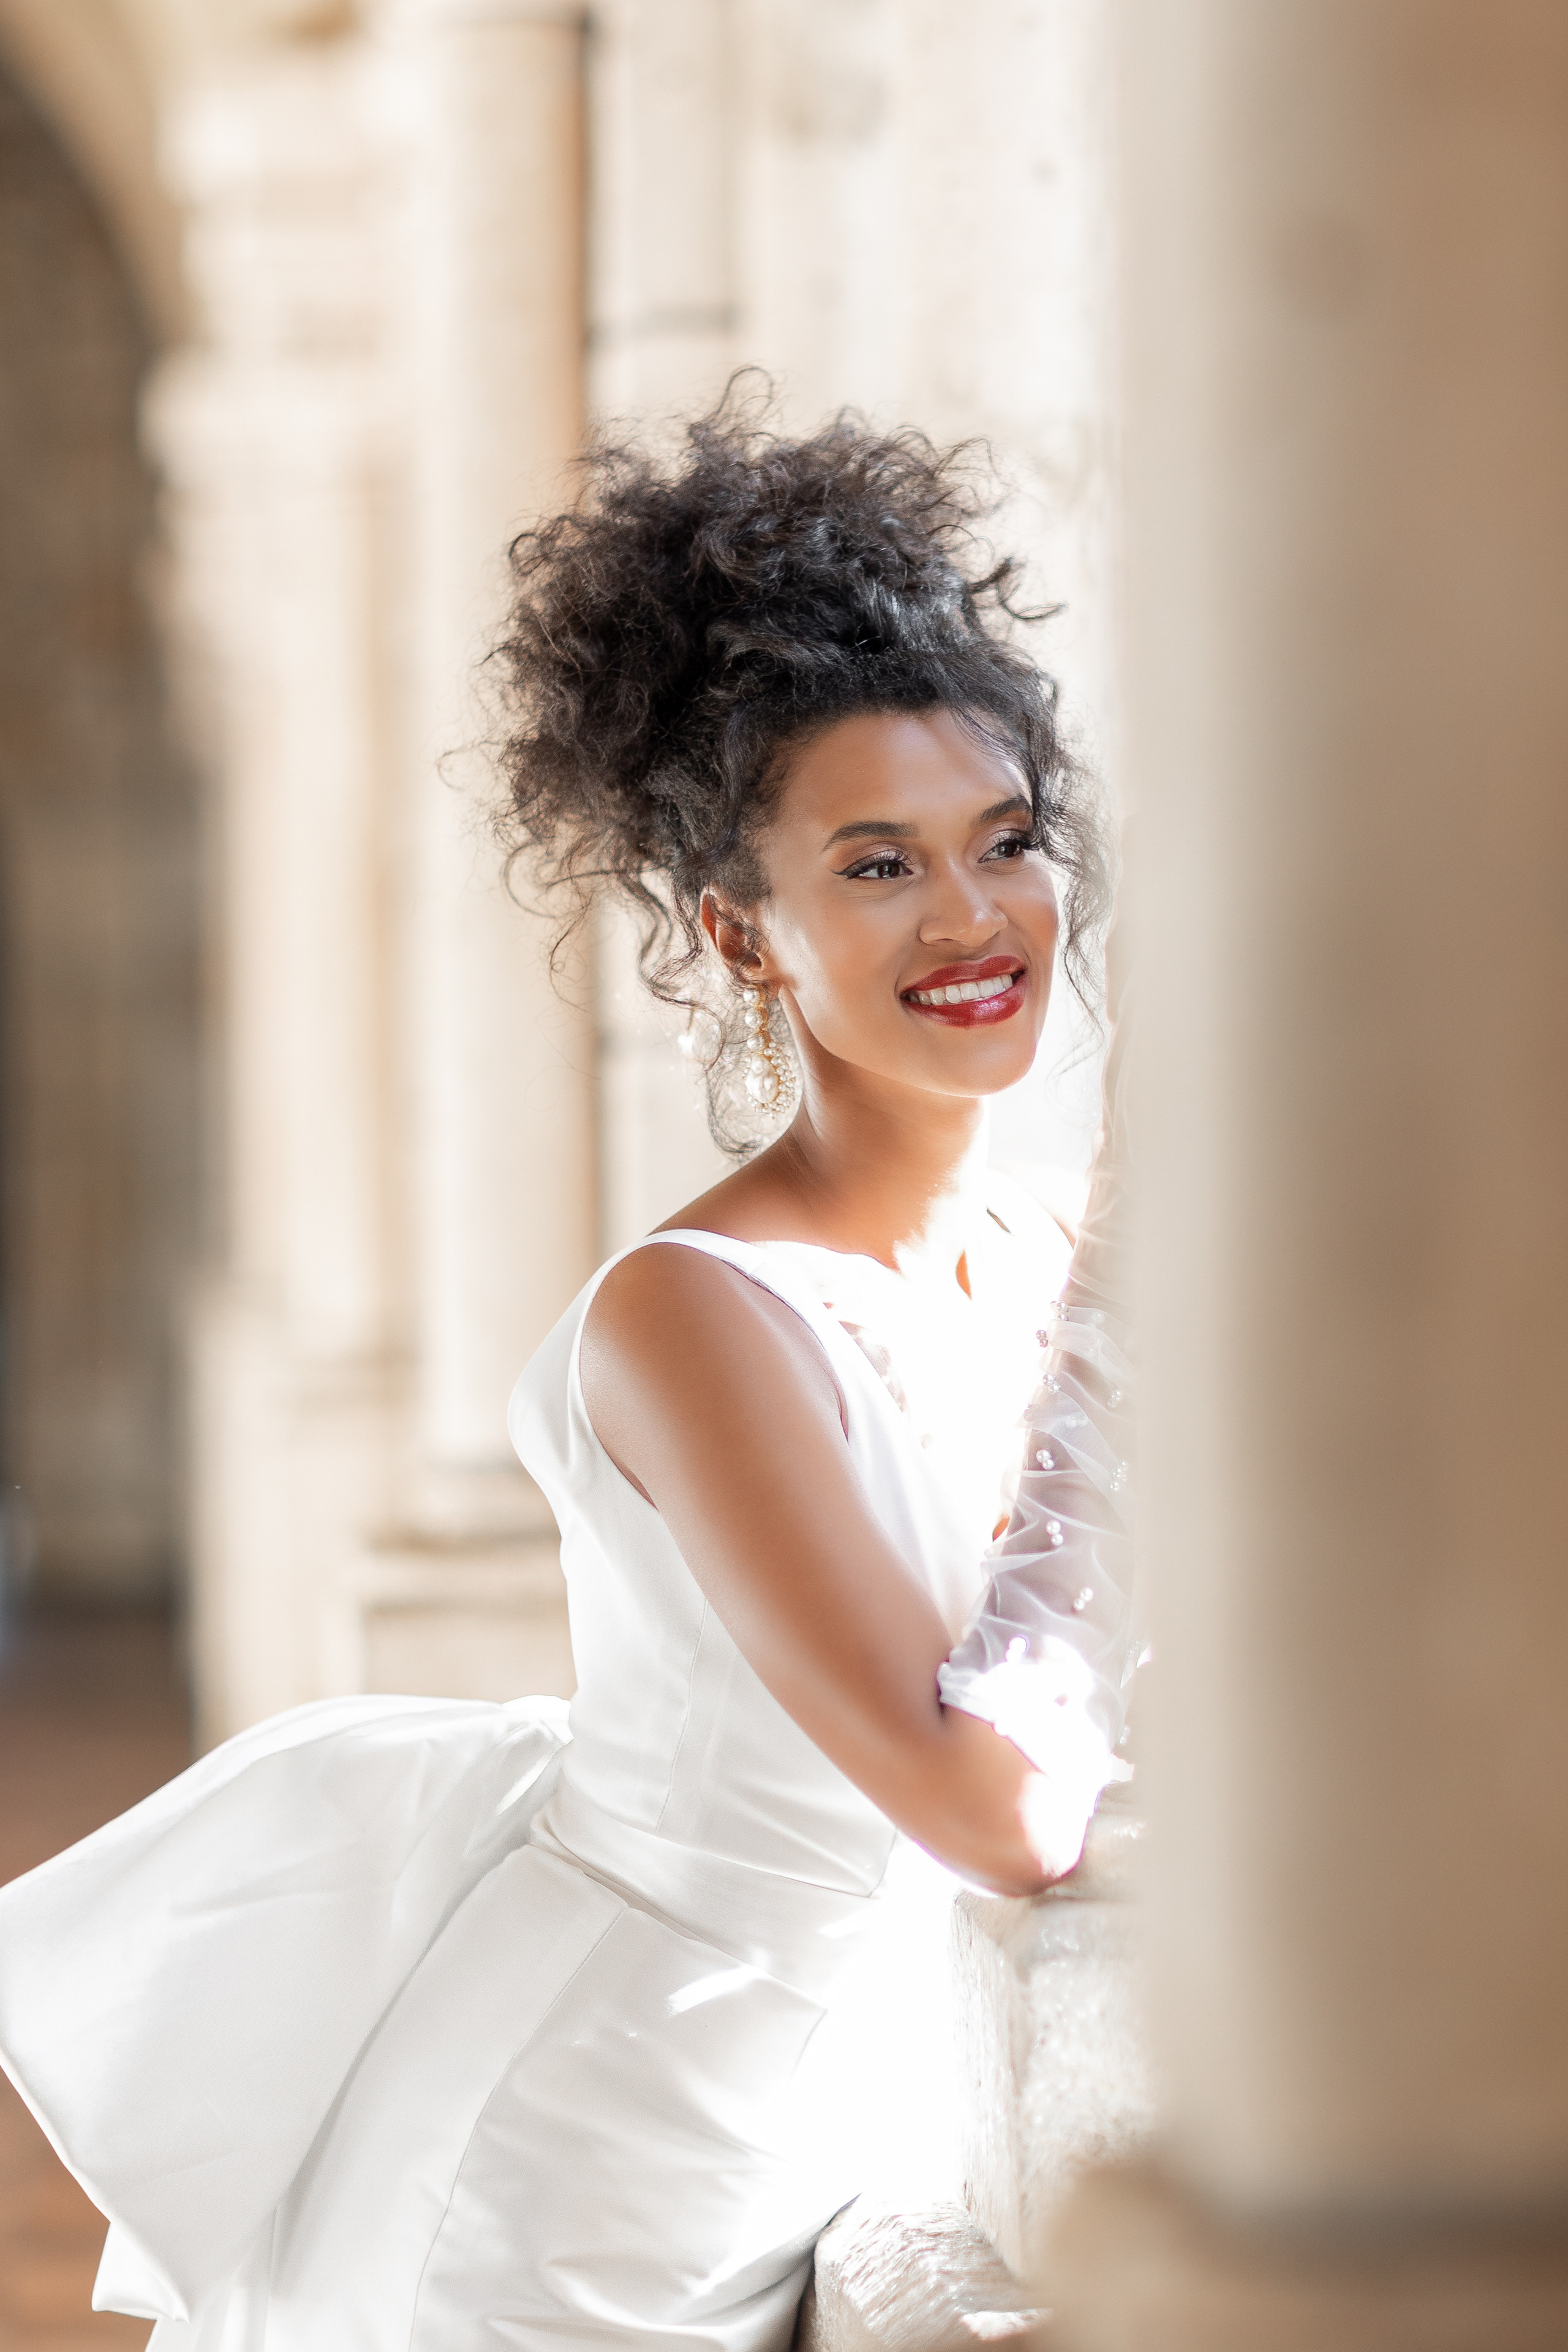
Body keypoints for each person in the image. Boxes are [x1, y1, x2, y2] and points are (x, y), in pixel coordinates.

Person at [0, 404, 1137, 2350]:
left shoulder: (1028, 1259)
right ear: (740, 933)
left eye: (1006, 841)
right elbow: (998, 1810)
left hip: (841, 2126)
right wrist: (1130, 1311)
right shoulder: (699, 1315)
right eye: (876, 865)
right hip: (582, 2185)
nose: (971, 920)